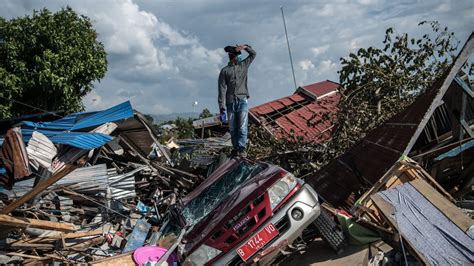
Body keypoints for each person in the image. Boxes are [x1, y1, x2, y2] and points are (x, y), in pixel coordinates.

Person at [218, 44, 256, 157]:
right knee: (233, 128)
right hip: (230, 102)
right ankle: (236, 148)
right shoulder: (225, 71)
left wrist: (244, 46)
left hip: (242, 100)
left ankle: (241, 148)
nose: (240, 57)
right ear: (232, 57)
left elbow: (253, 54)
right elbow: (222, 89)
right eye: (238, 56)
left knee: (242, 126)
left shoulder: (243, 65)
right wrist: (222, 107)